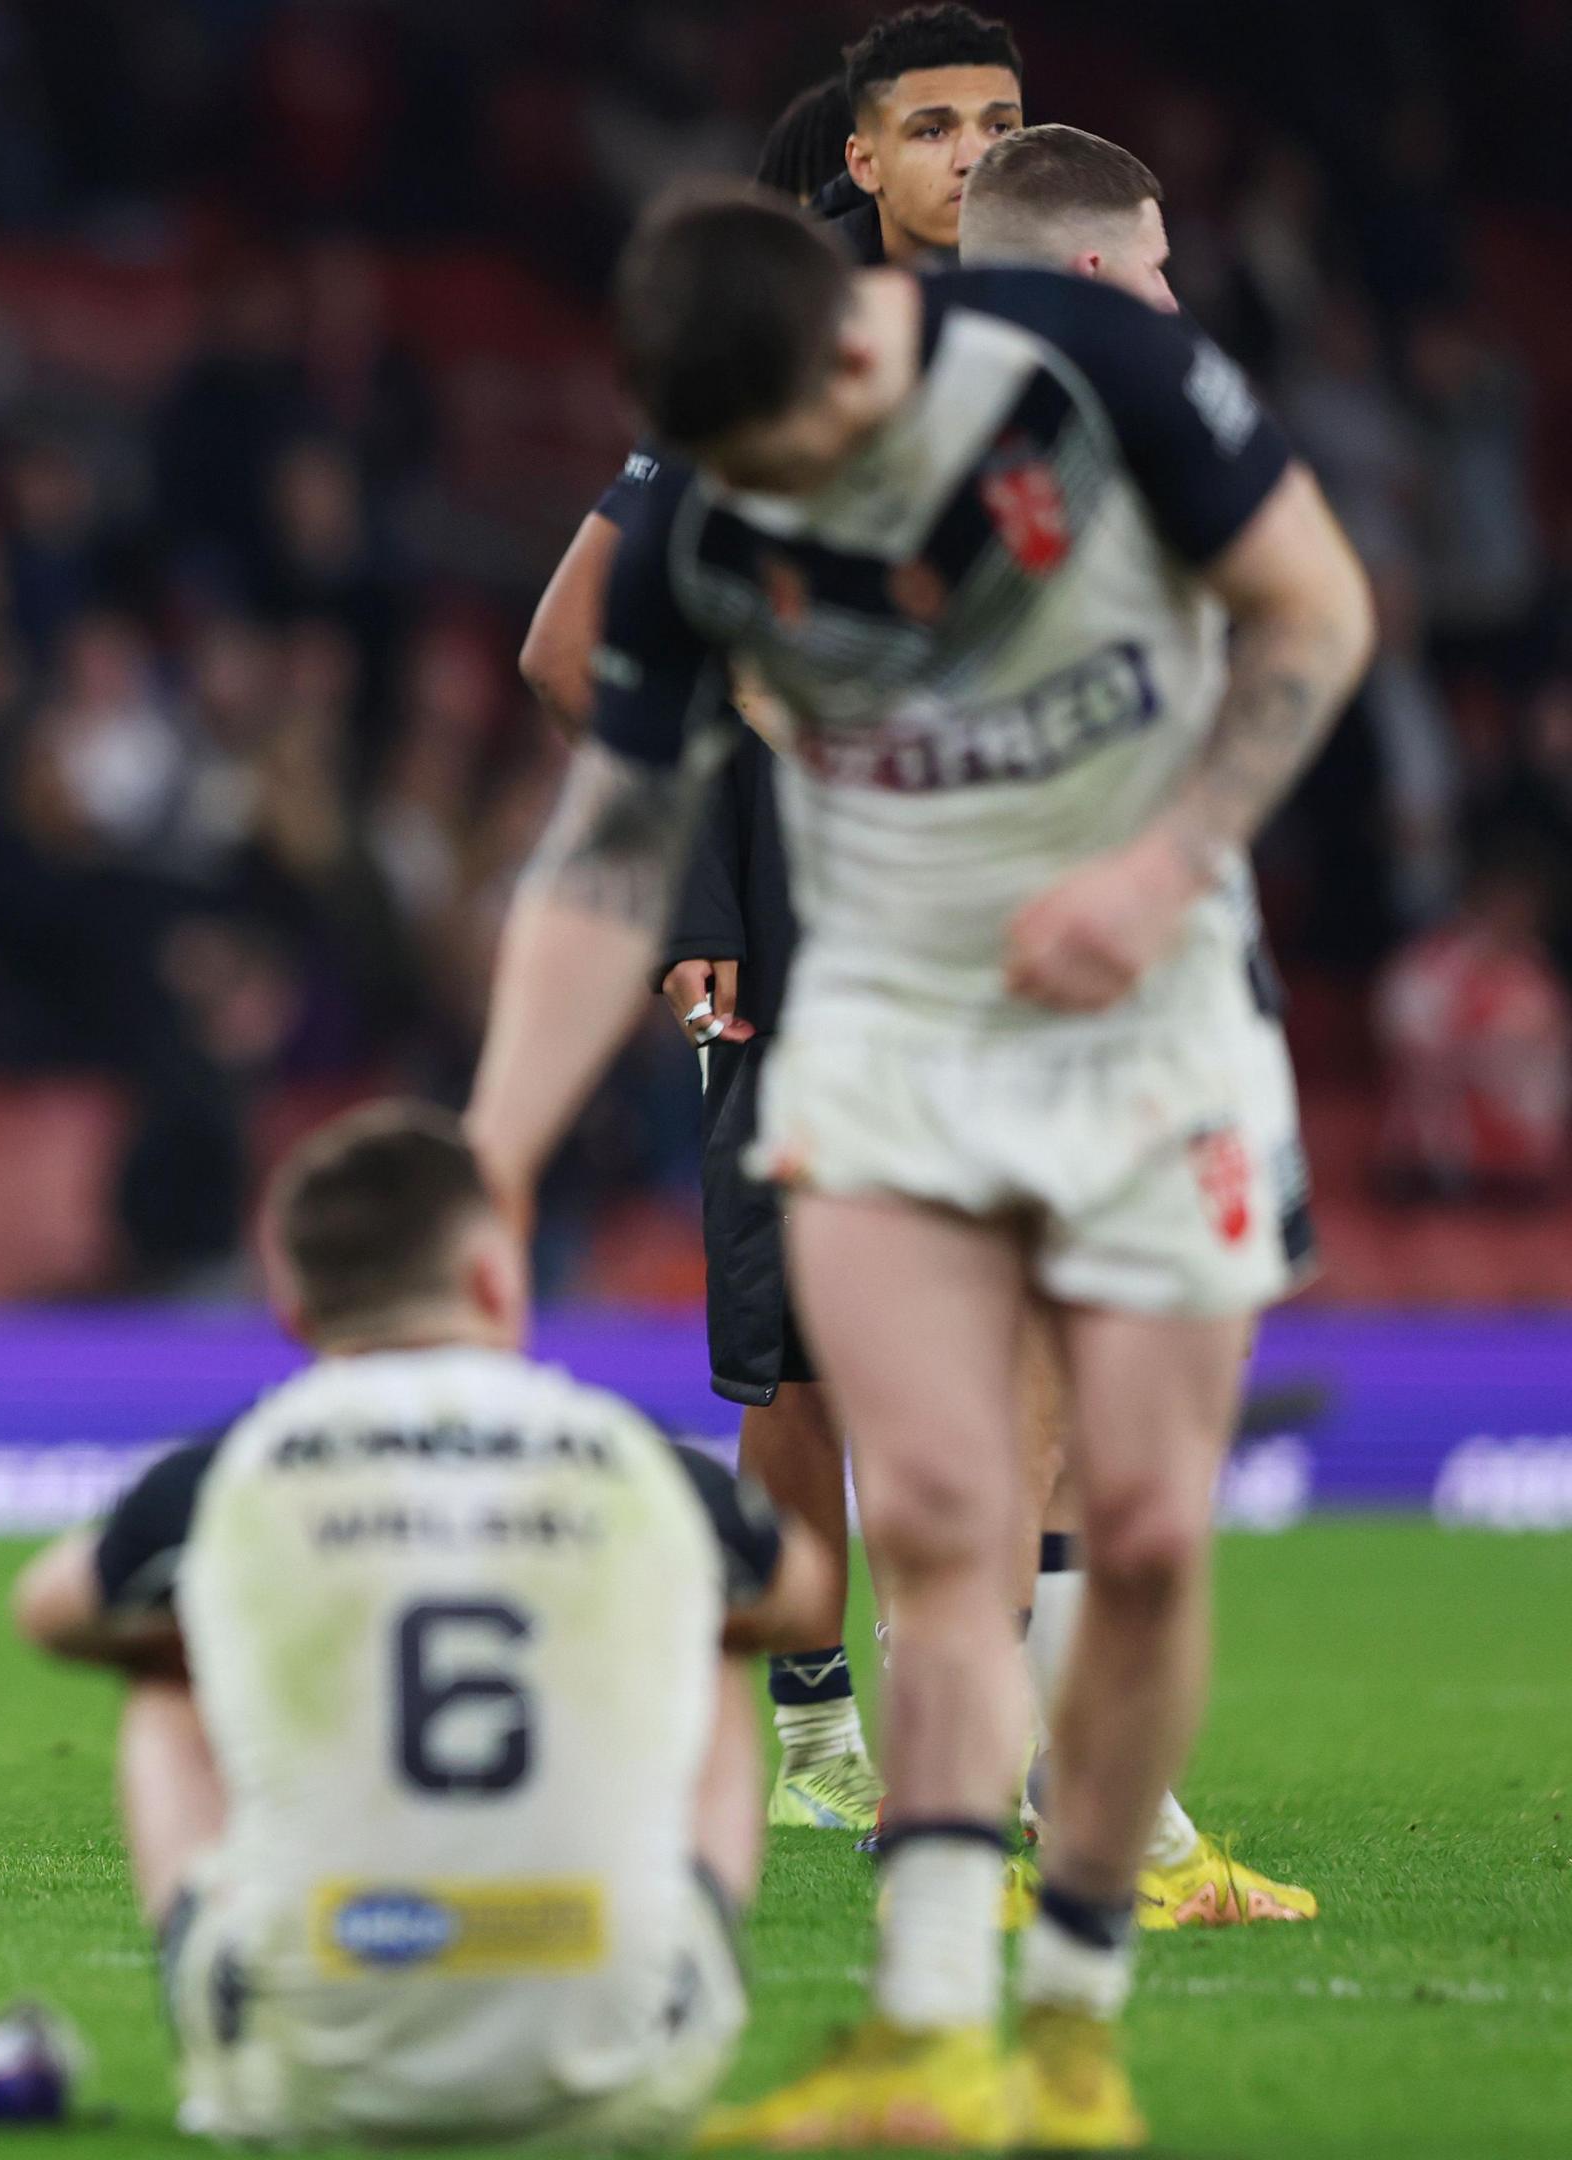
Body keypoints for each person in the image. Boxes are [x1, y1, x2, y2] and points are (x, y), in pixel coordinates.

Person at [467, 186, 1370, 2146]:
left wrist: (1162, 863)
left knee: (1132, 1533)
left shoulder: (1090, 368)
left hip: (1143, 1017)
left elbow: (1319, 612)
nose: (778, 502)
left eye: (799, 455)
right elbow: (608, 850)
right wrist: (495, 1147)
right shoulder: (709, 505)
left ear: (854, 348)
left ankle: (1074, 2018)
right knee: (944, 1527)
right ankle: (933, 2024)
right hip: (884, 1033)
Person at [515, 9, 1025, 1836]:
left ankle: (1013, 1747)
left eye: (1003, 124)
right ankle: (816, 1738)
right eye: (939, 126)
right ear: (869, 161)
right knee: (802, 1357)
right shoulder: (765, 359)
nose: (978, 156)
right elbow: (577, 651)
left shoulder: (1088, 343)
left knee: (1026, 1337)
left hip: (1025, 934)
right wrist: (701, 869)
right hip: (803, 934)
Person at [11, 1104, 837, 2149]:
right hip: (619, 2080)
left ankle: (245, 1985)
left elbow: (46, 1610)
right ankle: (675, 1948)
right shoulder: (631, 1455)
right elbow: (805, 1597)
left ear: (295, 1311)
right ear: (496, 1279)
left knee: (162, 1659)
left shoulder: (238, 1468)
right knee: (719, 1621)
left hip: (311, 2091)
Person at [957, 120, 1318, 1931]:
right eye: (1159, 257)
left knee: (1009, 1436)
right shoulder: (1139, 396)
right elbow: (1313, 620)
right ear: (1098, 270)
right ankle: (1102, 1845)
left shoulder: (860, 405)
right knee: (1104, 1443)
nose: (1178, 288)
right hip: (1121, 984)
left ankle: (1046, 1835)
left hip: (929, 986)